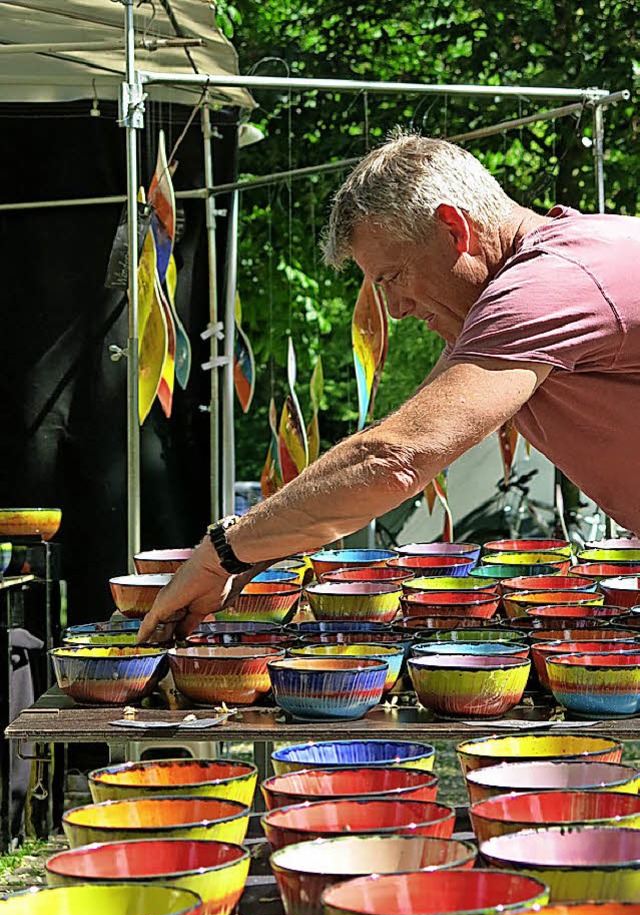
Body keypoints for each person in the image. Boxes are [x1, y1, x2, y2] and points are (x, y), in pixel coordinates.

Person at [137, 131, 640, 643]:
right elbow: (394, 449)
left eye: (394, 276)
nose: (395, 309)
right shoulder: (541, 280)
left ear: (453, 228)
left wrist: (223, 550)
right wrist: (252, 555)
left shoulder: (548, 286)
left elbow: (393, 459)